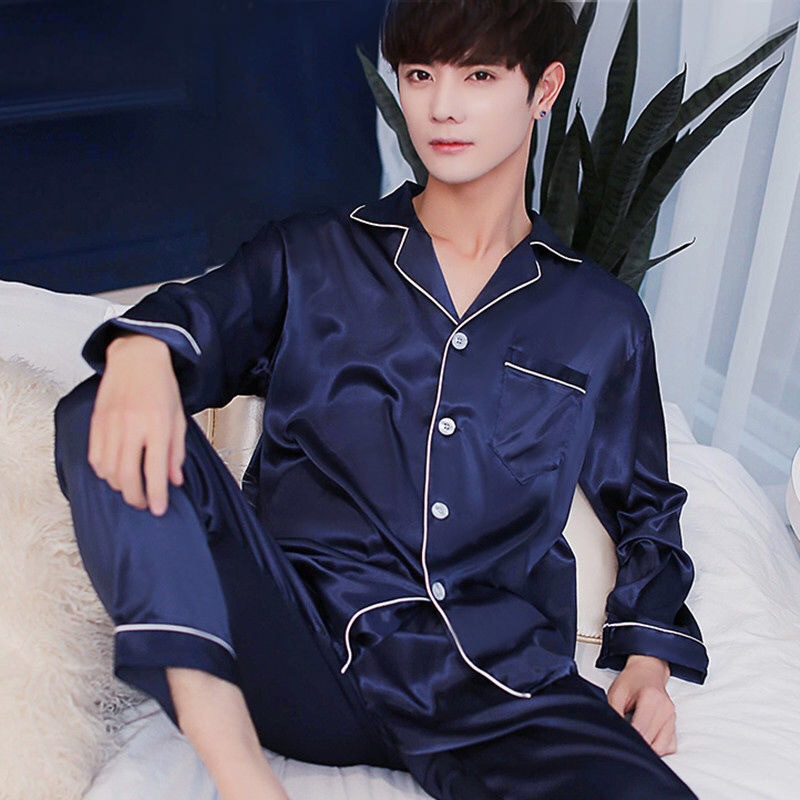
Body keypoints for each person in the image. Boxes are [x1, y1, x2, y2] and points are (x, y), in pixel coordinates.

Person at [54, 1, 709, 798]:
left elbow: (646, 503)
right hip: (297, 652)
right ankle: (242, 777)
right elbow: (205, 317)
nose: (442, 106)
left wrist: (649, 659)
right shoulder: (311, 256)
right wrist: (142, 349)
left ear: (543, 90)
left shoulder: (602, 318)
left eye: (479, 76)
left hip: (494, 684)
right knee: (94, 411)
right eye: (421, 74)